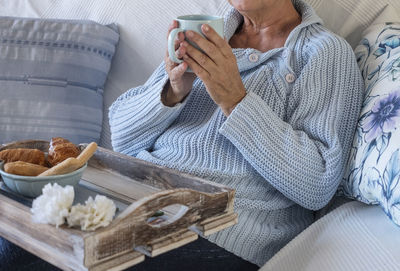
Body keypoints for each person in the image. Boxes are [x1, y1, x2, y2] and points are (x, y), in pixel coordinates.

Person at [109, 0, 364, 270]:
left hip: (209, 235)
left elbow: (318, 183)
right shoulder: (206, 35)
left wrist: (236, 101)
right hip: (132, 203)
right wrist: (173, 90)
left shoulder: (324, 52)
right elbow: (122, 140)